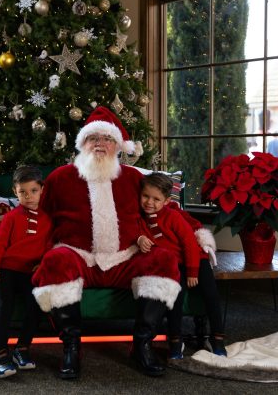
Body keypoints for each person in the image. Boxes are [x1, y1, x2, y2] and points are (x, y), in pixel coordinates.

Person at [31, 106, 215, 379]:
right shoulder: (61, 178)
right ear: (83, 142)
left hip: (126, 258)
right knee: (55, 262)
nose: (100, 144)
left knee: (163, 260)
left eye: (107, 138)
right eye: (94, 138)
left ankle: (141, 345)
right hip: (78, 257)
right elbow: (38, 218)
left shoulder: (133, 178)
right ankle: (71, 347)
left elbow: (163, 211)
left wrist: (198, 233)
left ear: (118, 144)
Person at [137, 172, 227, 360]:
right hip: (173, 265)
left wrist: (193, 271)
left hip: (195, 258)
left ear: (167, 200)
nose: (149, 202)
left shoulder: (172, 216)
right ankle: (176, 341)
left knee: (210, 293)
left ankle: (217, 338)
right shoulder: (140, 220)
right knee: (175, 298)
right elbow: (136, 234)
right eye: (145, 196)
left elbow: (189, 243)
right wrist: (139, 239)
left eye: (156, 199)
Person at [0, 166, 52, 378]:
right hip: (7, 269)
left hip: (31, 271)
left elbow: (50, 246)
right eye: (23, 192)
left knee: (37, 306)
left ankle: (22, 348)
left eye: (33, 191)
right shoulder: (11, 218)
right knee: (4, 307)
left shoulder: (48, 219)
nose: (29, 196)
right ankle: (1, 352)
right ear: (15, 192)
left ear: (41, 189)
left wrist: (42, 263)